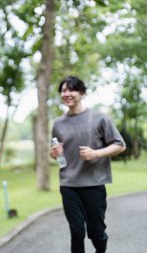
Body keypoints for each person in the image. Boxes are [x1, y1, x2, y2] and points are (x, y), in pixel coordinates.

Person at [50, 76, 126, 253]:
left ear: (82, 92)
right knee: (76, 231)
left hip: (94, 184)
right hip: (69, 184)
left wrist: (96, 153)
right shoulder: (58, 123)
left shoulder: (99, 118)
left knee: (96, 232)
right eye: (63, 91)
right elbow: (54, 151)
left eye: (71, 90)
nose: (67, 94)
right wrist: (53, 153)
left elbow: (120, 145)